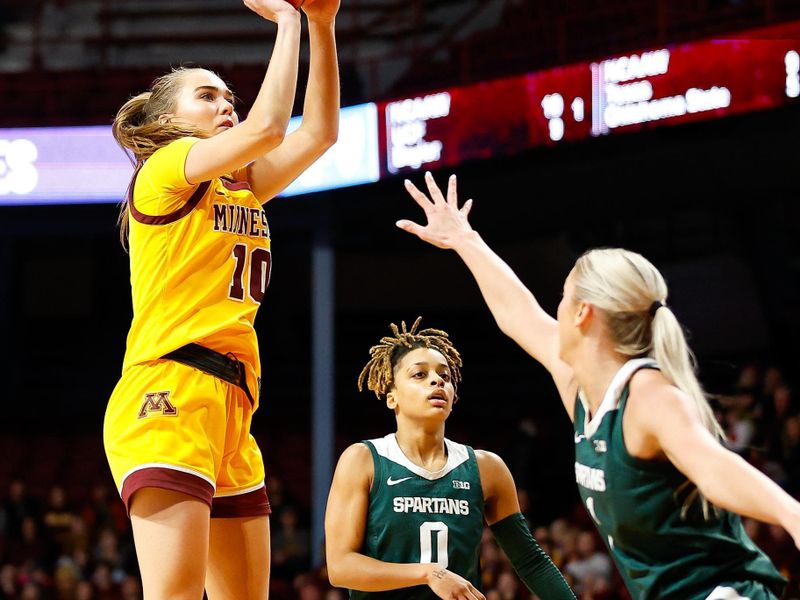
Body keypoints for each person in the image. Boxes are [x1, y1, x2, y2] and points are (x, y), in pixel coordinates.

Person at [395, 172, 800, 600]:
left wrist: (791, 513)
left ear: (583, 313)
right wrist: (465, 240)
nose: (556, 306)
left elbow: (713, 466)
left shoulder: (647, 394)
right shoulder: (582, 385)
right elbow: (518, 315)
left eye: (563, 295)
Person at [103, 0, 340, 597]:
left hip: (233, 407)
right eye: (207, 96)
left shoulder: (240, 186)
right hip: (169, 392)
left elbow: (319, 133)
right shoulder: (165, 168)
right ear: (168, 120)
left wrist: (323, 24)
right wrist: (288, 22)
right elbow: (269, 129)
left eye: (228, 97)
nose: (226, 105)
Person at [325, 319, 576, 600]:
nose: (437, 380)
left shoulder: (486, 468)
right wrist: (430, 573)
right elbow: (340, 567)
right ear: (391, 396)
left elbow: (532, 562)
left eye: (445, 376)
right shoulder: (363, 460)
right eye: (419, 375)